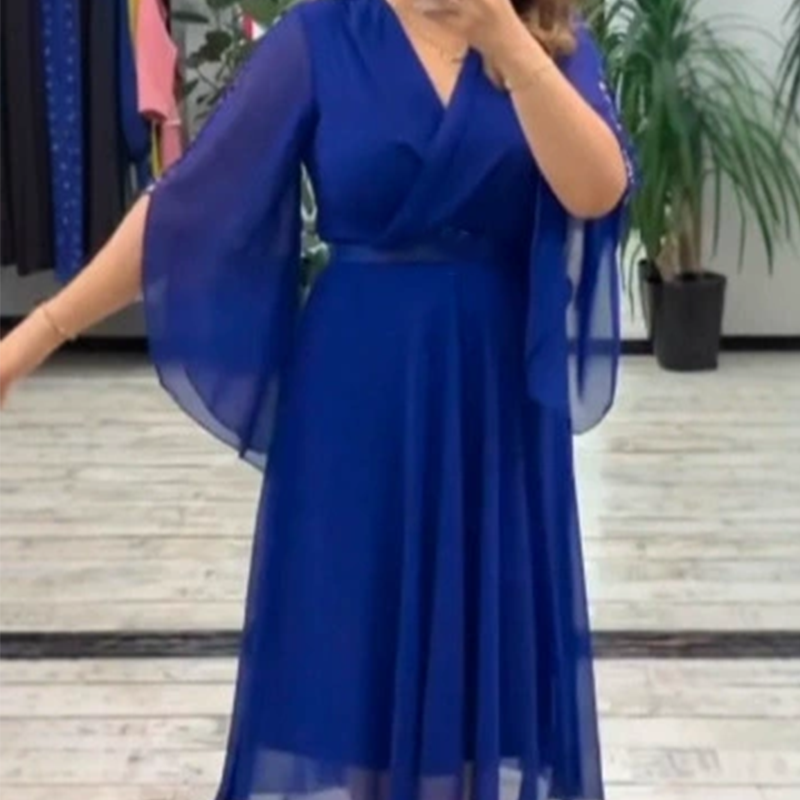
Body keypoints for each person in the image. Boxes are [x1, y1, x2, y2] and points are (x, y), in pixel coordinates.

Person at [0, 0, 634, 797]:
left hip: (494, 411)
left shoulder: (548, 39)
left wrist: (503, 36)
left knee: (485, 671)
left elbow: (596, 189)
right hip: (356, 405)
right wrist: (34, 337)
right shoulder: (323, 36)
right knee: (354, 673)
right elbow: (187, 209)